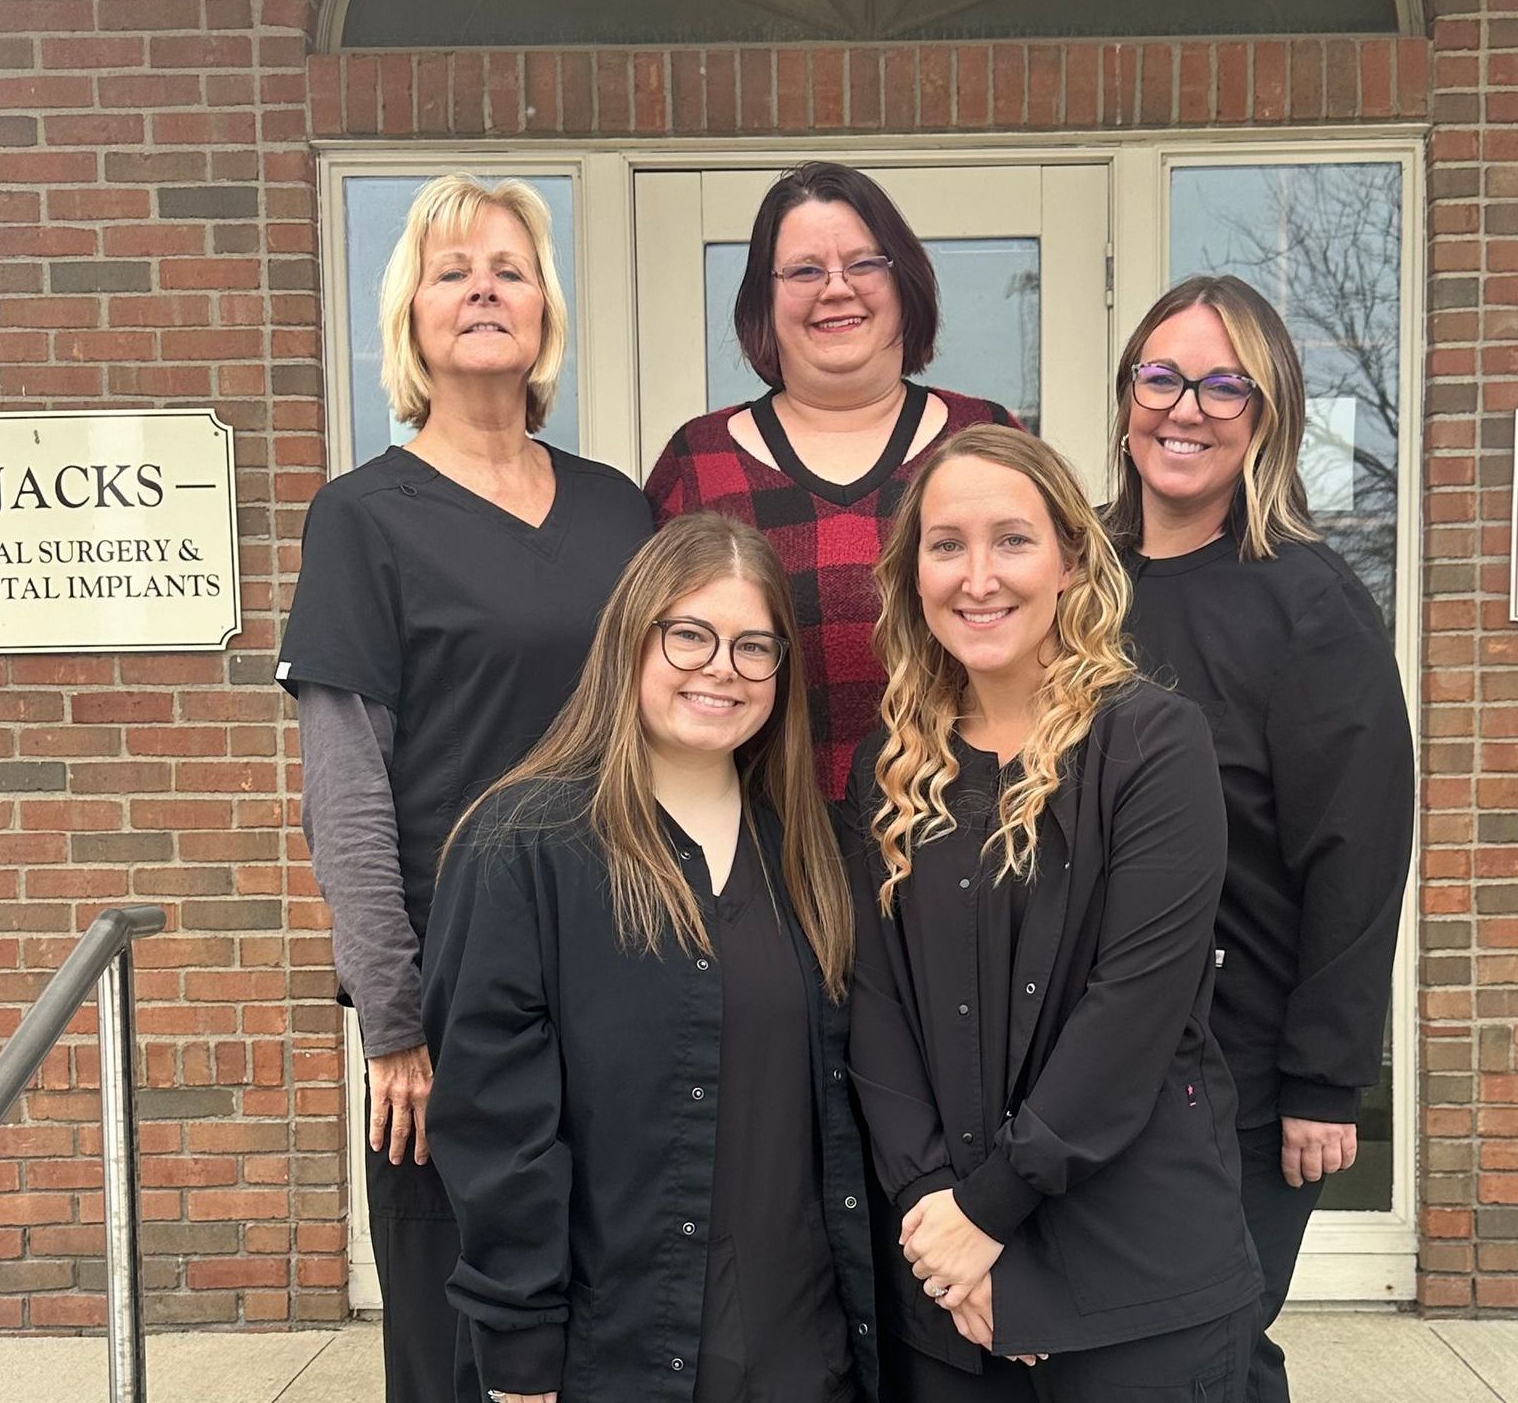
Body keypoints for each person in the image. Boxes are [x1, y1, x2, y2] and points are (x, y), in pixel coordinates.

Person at [276, 173, 652, 1403]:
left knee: (616, 1314)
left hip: (623, 977)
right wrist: (393, 1022)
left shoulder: (618, 511)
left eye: (511, 266)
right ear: (412, 319)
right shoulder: (362, 519)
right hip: (455, 1003)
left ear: (546, 310)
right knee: (461, 1348)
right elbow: (346, 790)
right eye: (453, 270)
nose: (485, 286)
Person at [421, 512, 880, 1403]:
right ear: (633, 639)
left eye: (755, 647)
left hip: (807, 1345)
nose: (722, 668)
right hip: (626, 1353)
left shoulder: (816, 852)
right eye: (691, 636)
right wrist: (518, 1342)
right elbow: (493, 1123)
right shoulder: (526, 846)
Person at [845, 424, 1262, 1402]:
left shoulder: (1154, 745)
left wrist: (991, 1213)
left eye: (1013, 540)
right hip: (949, 1285)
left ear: (1070, 561)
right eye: (946, 545)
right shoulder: (893, 768)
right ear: (914, 576)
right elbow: (878, 1007)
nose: (978, 576)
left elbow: (1136, 1010)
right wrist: (936, 1221)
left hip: (1136, 1275)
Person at [1107, 275, 1415, 1403]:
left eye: (1223, 385)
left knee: (1205, 1344)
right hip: (1081, 1052)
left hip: (1238, 1067)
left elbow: (1359, 853)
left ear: (1267, 413)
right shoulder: (1074, 573)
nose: (1186, 408)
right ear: (1127, 394)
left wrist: (1327, 1083)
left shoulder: (1309, 603)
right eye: (1163, 376)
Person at [646, 161, 1019, 799]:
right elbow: (645, 675)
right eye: (804, 271)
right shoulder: (698, 462)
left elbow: (1063, 639)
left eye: (865, 263)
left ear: (906, 283)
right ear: (765, 299)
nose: (836, 289)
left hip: (968, 839)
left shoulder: (986, 440)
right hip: (753, 850)